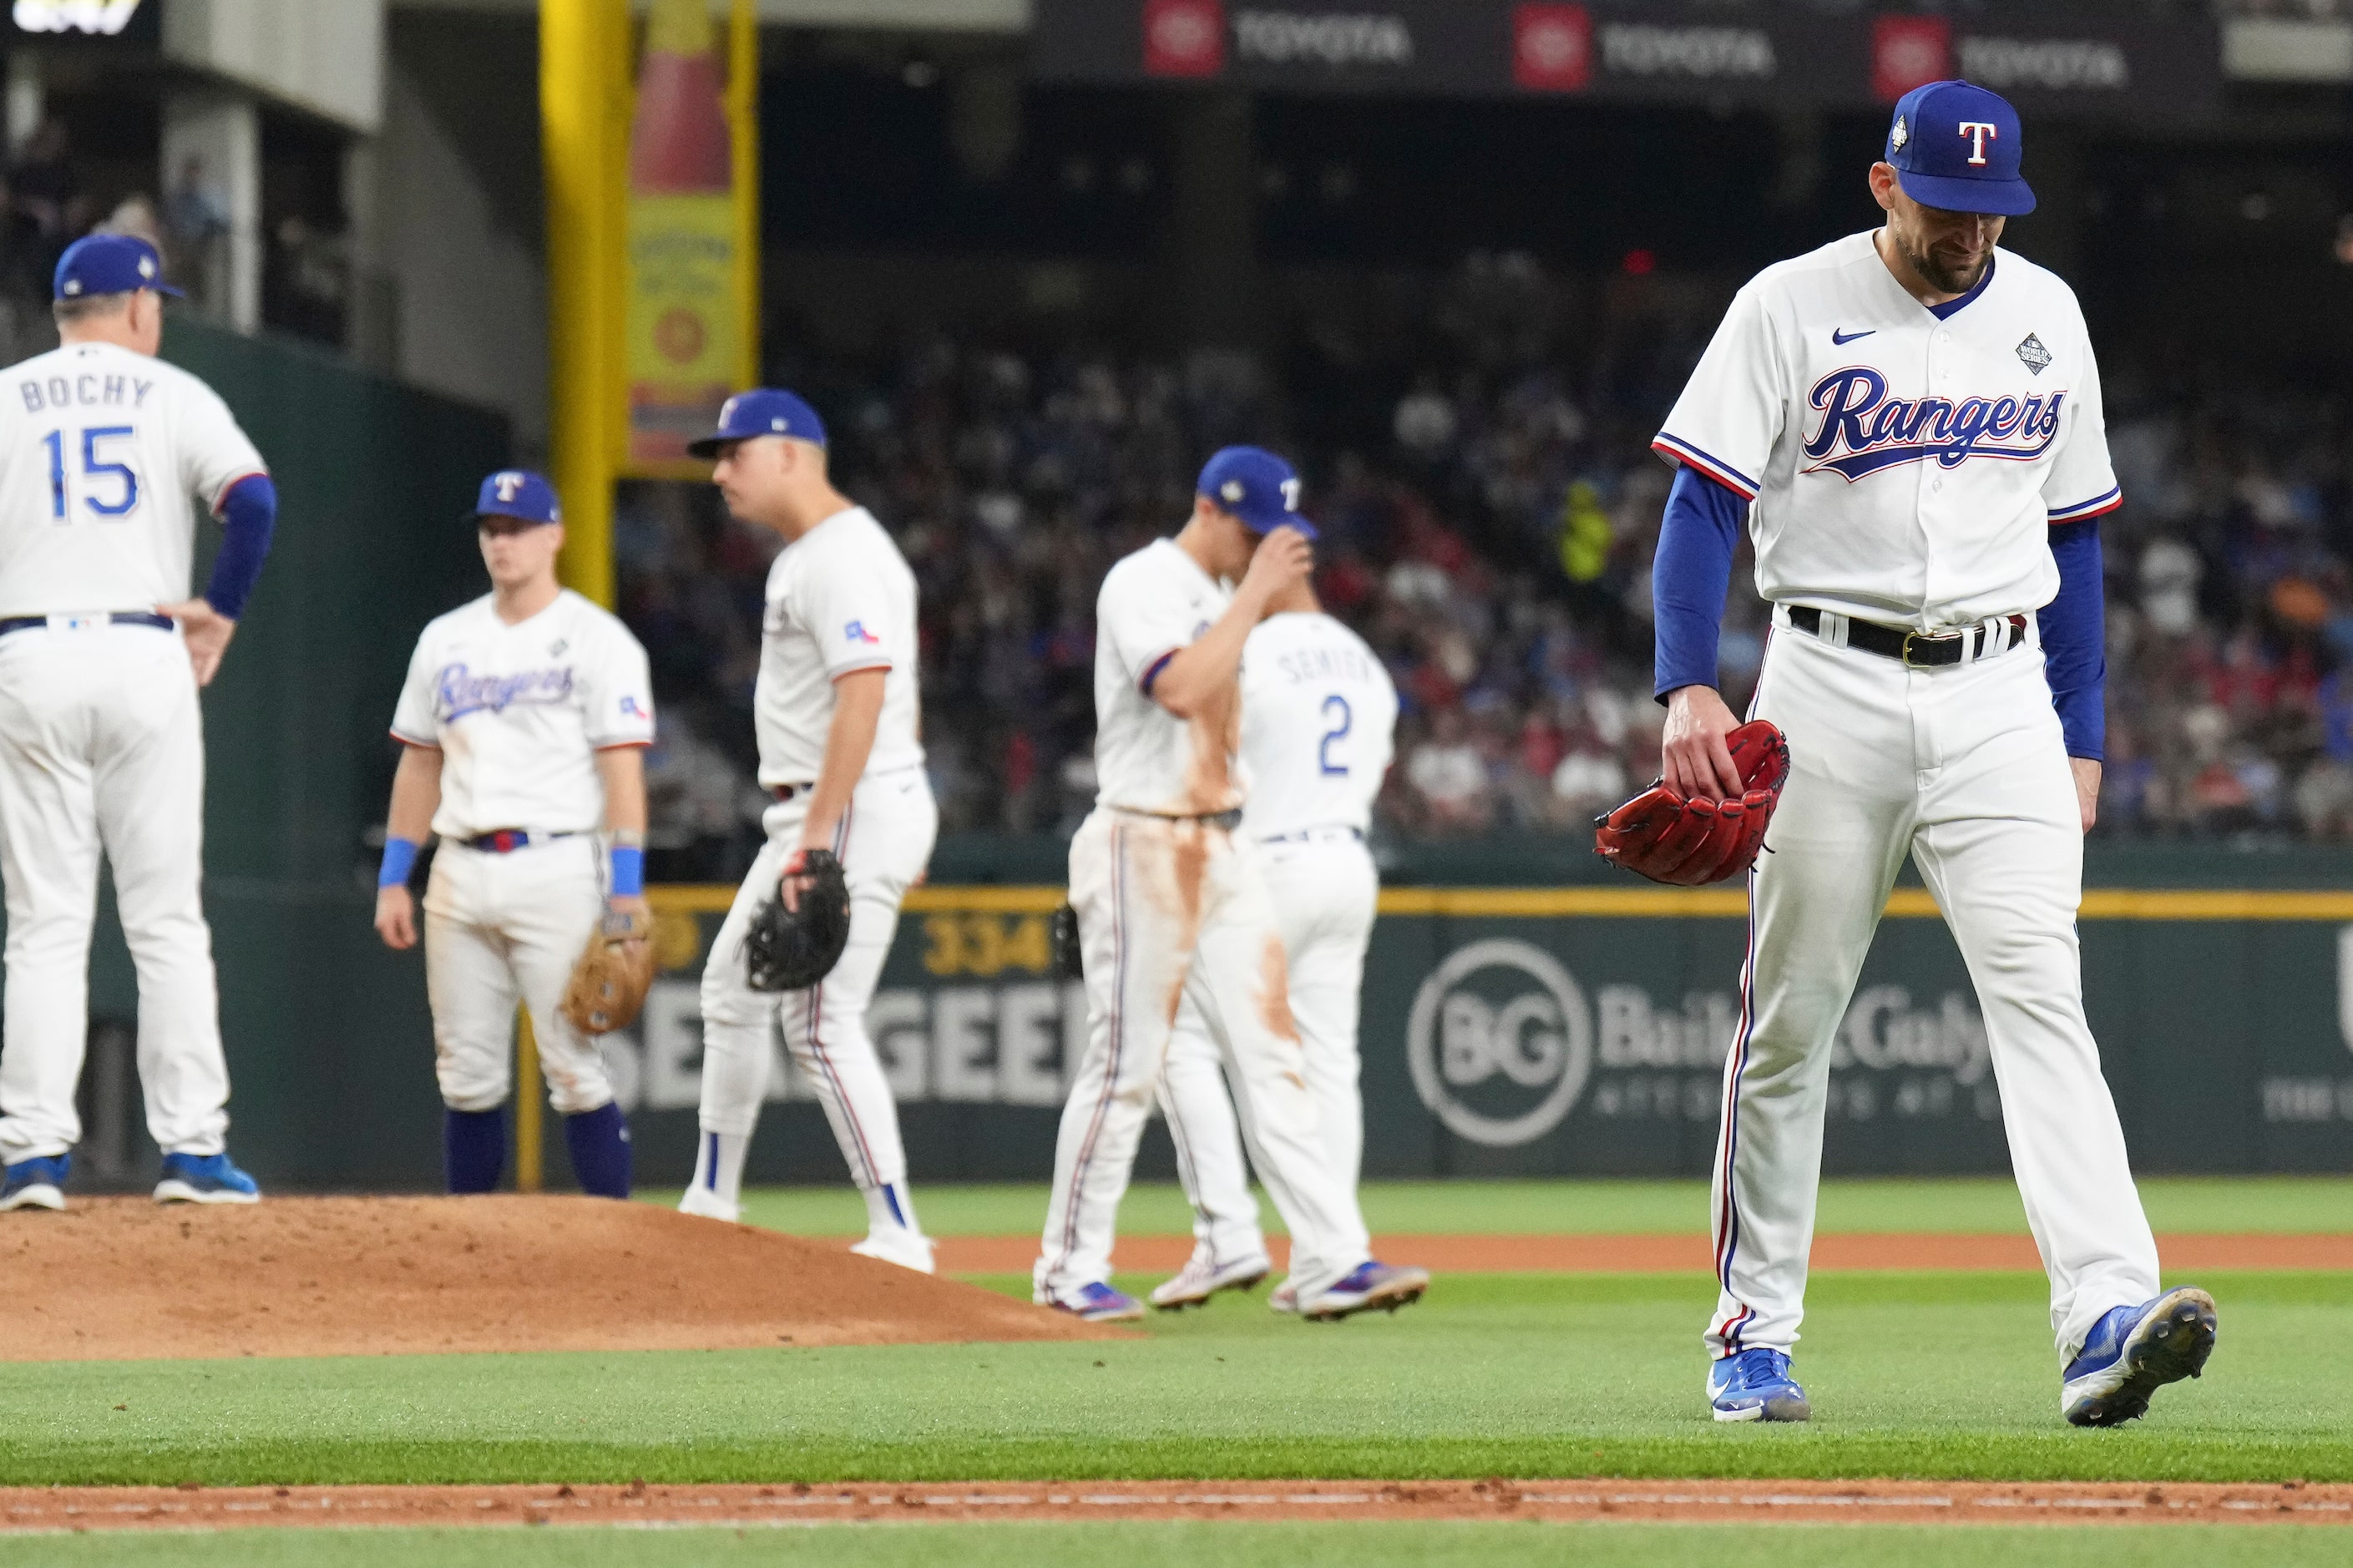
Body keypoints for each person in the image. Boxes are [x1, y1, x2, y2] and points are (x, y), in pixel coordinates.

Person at [1649, 80, 2215, 1427]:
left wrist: (2078, 735)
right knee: (1787, 1022)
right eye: (1947, 206)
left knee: (2041, 1001)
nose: (1971, 232)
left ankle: (2100, 1314)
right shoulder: (1786, 303)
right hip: (1824, 681)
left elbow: (2072, 541)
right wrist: (1685, 684)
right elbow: (1697, 502)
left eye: (1991, 210)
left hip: (1998, 691)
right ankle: (1750, 1335)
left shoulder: (2045, 312)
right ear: (1882, 183)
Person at [1034, 445, 1425, 1323]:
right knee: (1127, 1064)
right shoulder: (1144, 581)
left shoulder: (1219, 598)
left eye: (1277, 535)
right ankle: (1067, 1268)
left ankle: (1330, 1257)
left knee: (1276, 1055)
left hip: (1225, 846)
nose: (1265, 548)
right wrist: (1253, 600)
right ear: (1208, 508)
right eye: (1253, 530)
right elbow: (1176, 689)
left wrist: (1242, 602)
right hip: (1143, 841)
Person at [0, 234, 278, 1209]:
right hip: (143, 648)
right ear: (138, 307)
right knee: (164, 919)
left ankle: (30, 1155)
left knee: (43, 925)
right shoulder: (174, 396)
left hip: (28, 651)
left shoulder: (7, 394)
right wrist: (224, 609)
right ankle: (193, 1151)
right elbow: (253, 502)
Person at [677, 389, 939, 1275]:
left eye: (734, 453)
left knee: (821, 1022)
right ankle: (712, 1200)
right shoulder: (825, 552)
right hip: (840, 799)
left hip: (846, 804)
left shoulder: (835, 557)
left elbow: (863, 691)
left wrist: (819, 839)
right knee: (728, 989)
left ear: (789, 452)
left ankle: (899, 1231)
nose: (719, 473)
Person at [372, 470, 650, 1198]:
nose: (502, 542)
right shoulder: (446, 638)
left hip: (557, 862)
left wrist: (625, 893)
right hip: (459, 869)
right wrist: (395, 875)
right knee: (465, 1076)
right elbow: (419, 764)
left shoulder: (596, 639)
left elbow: (622, 775)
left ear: (554, 535)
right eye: (491, 529)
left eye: (517, 527)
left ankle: (616, 1245)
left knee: (574, 1068)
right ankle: (476, 1257)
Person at [1149, 572, 1400, 1313]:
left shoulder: (1251, 649)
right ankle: (1327, 1251)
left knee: (1183, 1032)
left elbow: (1206, 752)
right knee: (1327, 1062)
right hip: (1350, 862)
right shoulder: (1366, 662)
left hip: (1272, 859)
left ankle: (1230, 1234)